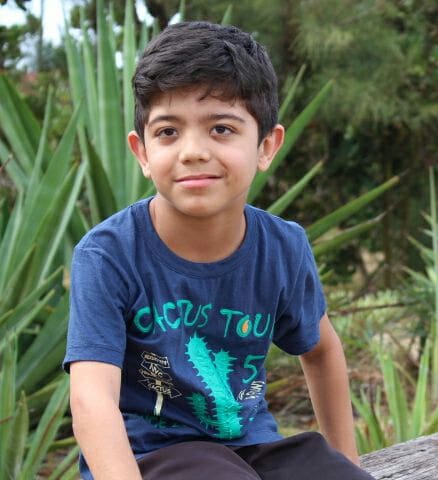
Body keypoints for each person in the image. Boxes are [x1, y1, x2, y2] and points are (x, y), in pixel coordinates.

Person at [63, 21, 375, 480]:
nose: (192, 151)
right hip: (148, 457)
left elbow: (322, 350)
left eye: (222, 128)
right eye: (168, 132)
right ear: (142, 151)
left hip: (252, 448)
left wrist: (348, 463)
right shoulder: (108, 255)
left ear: (266, 146)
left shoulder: (283, 247)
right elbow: (92, 398)